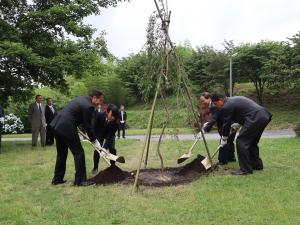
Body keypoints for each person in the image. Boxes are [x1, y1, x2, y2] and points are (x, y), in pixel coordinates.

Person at [50, 90, 105, 186]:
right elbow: (88, 126)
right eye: (100, 100)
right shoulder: (89, 106)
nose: (101, 103)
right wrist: (95, 141)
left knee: (62, 153)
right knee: (79, 152)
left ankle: (57, 179)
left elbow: (74, 114)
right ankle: (80, 181)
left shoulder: (81, 98)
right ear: (94, 98)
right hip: (67, 126)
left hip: (57, 124)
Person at [211, 94, 272, 175]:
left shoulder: (227, 105)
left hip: (255, 117)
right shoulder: (232, 100)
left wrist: (224, 138)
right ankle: (257, 165)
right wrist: (238, 124)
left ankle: (245, 169)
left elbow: (226, 123)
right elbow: (244, 111)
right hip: (263, 115)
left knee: (241, 141)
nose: (216, 106)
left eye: (215, 104)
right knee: (252, 142)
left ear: (220, 100)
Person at [200, 92, 237, 165]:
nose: (202, 102)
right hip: (228, 123)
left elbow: (214, 118)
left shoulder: (214, 105)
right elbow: (214, 117)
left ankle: (222, 161)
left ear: (209, 98)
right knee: (229, 141)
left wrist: (205, 129)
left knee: (223, 140)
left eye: (203, 100)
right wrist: (207, 123)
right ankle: (231, 158)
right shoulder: (212, 105)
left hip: (227, 124)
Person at [92, 104, 119, 174]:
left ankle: (113, 167)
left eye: (115, 116)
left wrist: (104, 148)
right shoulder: (99, 116)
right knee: (97, 150)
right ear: (107, 112)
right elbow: (94, 128)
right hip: (99, 134)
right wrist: (95, 140)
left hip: (110, 135)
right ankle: (95, 168)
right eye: (112, 115)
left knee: (112, 149)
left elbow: (110, 136)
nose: (113, 118)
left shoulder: (116, 122)